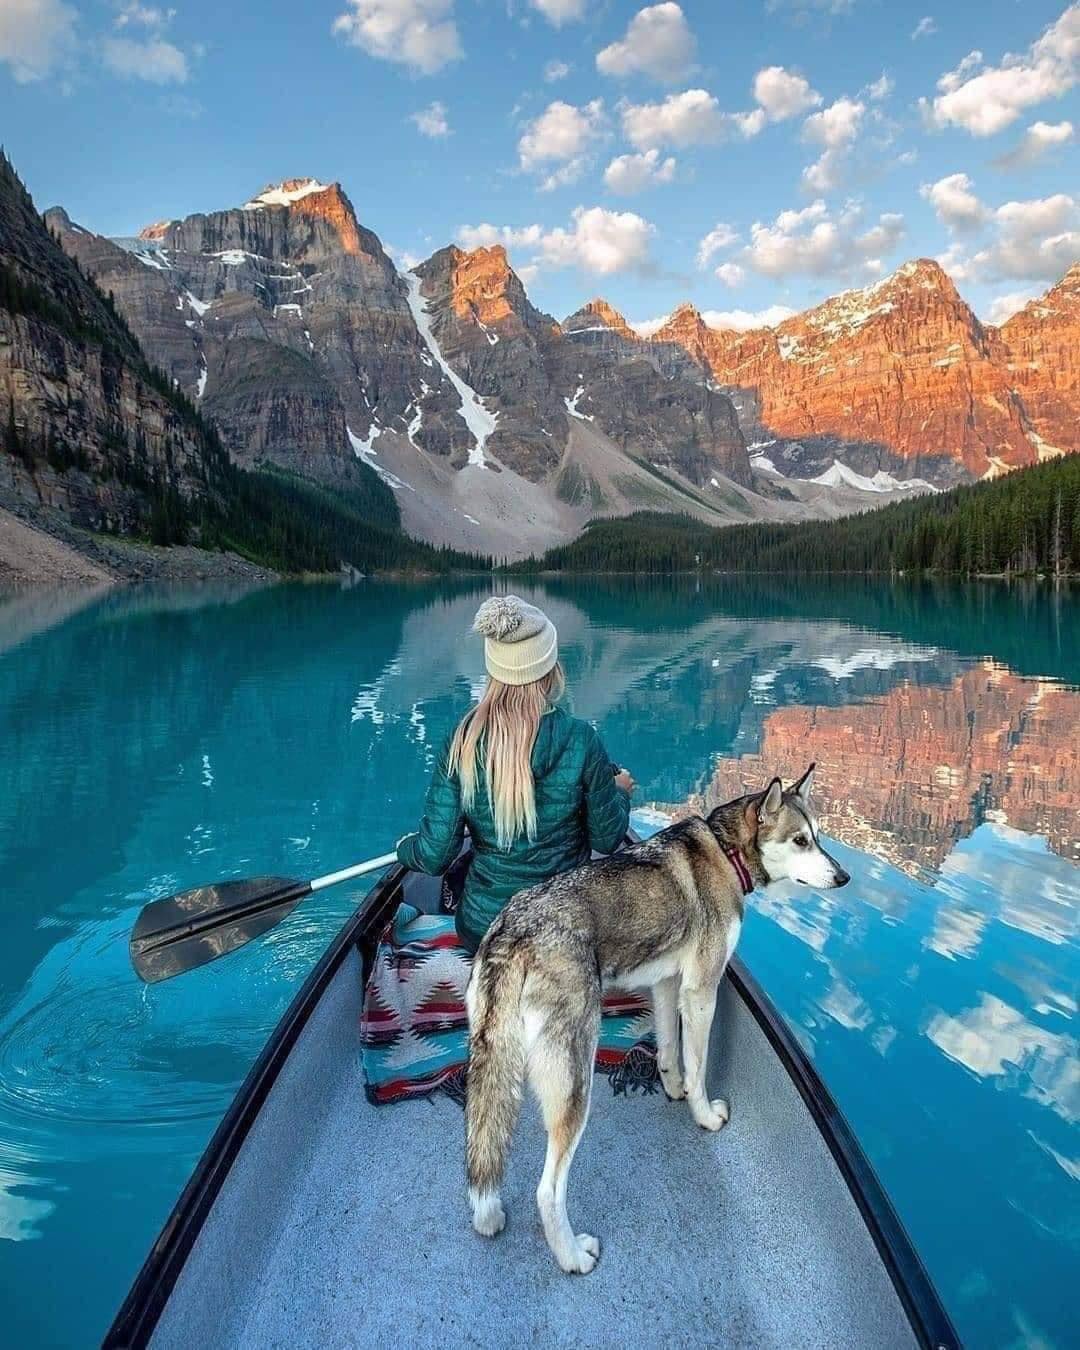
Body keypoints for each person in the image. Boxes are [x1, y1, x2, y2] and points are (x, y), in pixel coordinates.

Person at [396, 595, 634, 952]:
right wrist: (620, 793)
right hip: (563, 932)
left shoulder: (463, 741)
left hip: (486, 932)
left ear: (494, 669)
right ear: (551, 668)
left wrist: (404, 849)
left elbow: (434, 855)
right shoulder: (582, 739)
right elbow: (607, 839)